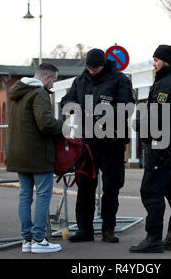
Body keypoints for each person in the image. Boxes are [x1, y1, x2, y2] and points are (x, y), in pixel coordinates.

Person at [60, 48, 134, 243]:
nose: (92, 71)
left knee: (111, 187)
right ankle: (85, 230)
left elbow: (128, 106)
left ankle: (109, 229)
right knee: (85, 187)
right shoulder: (80, 80)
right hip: (87, 143)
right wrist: (76, 108)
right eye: (90, 68)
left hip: (112, 142)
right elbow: (66, 100)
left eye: (96, 68)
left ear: (104, 64)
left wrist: (105, 114)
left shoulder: (120, 79)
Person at [130, 45, 171, 253]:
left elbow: (158, 118)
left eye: (156, 59)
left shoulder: (167, 85)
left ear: (165, 61)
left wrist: (139, 126)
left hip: (162, 146)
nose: (153, 63)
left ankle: (153, 239)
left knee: (151, 191)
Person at [6, 63, 63, 254]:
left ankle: (26, 239)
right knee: (43, 195)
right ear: (46, 78)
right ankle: (39, 239)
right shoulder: (39, 94)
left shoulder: (16, 93)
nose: (53, 85)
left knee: (24, 196)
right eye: (53, 80)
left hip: (19, 153)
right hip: (38, 154)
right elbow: (45, 123)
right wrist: (62, 126)